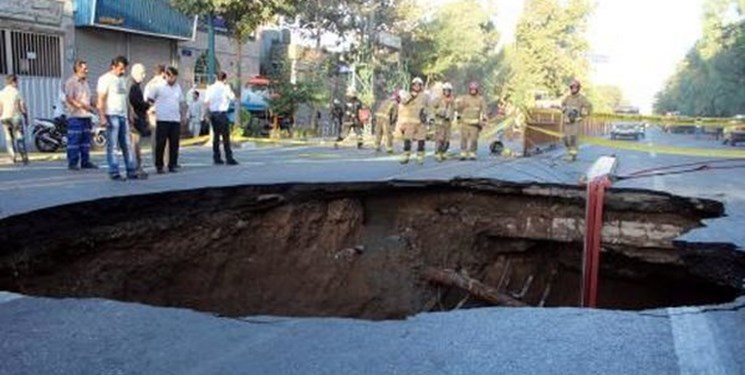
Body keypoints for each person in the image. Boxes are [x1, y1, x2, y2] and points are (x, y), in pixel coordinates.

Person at [98, 55, 137, 180]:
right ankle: (114, 171)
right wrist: (102, 117)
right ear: (113, 66)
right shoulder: (105, 79)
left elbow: (125, 99)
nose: (123, 71)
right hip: (111, 115)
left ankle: (131, 171)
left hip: (123, 116)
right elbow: (101, 99)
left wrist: (129, 114)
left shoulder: (122, 80)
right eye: (120, 68)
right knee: (113, 146)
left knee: (127, 144)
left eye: (124, 68)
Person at [148, 66, 186, 173]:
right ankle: (159, 165)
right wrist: (151, 111)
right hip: (162, 119)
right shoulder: (158, 86)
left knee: (174, 144)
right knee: (161, 143)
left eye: (175, 78)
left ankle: (172, 164)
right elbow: (150, 99)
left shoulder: (177, 87)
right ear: (167, 76)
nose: (174, 80)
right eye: (172, 77)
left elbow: (181, 102)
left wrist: (183, 116)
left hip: (175, 119)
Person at [64, 60, 98, 170]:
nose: (87, 71)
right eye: (84, 69)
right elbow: (69, 98)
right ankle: (73, 163)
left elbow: (90, 99)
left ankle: (85, 162)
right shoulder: (71, 82)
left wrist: (97, 104)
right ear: (78, 69)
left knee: (86, 141)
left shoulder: (86, 83)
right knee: (74, 140)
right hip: (75, 117)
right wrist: (82, 106)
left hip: (86, 116)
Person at [204, 71, 238, 165]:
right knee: (225, 137)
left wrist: (206, 114)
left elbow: (206, 102)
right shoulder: (225, 88)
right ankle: (229, 157)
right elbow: (233, 98)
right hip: (222, 114)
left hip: (213, 114)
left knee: (216, 136)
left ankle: (216, 157)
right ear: (224, 79)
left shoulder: (210, 88)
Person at [397, 77, 428, 164]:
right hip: (409, 122)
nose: (417, 86)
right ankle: (406, 156)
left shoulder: (425, 96)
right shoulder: (408, 94)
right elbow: (403, 102)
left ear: (421, 86)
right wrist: (411, 96)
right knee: (407, 140)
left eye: (419, 85)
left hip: (421, 122)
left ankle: (420, 157)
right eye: (415, 85)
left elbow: (430, 107)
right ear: (412, 86)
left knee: (421, 140)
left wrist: (429, 117)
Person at [127, 63, 151, 178]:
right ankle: (135, 168)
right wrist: (147, 105)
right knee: (134, 145)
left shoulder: (131, 84)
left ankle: (135, 167)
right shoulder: (132, 86)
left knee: (134, 145)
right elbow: (134, 102)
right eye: (142, 73)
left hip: (134, 118)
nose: (144, 76)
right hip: (134, 119)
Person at [560, 79, 593, 161]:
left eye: (575, 87)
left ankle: (573, 156)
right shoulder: (567, 98)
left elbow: (589, 106)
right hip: (567, 121)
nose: (573, 88)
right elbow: (562, 104)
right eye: (572, 87)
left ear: (578, 88)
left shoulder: (581, 98)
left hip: (575, 122)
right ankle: (568, 154)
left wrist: (582, 115)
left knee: (573, 138)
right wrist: (563, 109)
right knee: (566, 139)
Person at [0, 74, 29, 164]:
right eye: (16, 82)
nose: (17, 83)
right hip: (15, 117)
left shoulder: (2, 92)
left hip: (4, 118)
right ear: (14, 82)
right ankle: (24, 158)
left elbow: (0, 107)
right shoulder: (16, 92)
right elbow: (22, 106)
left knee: (9, 138)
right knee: (19, 137)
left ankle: (12, 157)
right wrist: (26, 117)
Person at [456, 81, 487, 161]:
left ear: (477, 90)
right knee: (464, 138)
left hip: (475, 124)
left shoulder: (480, 99)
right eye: (471, 89)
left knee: (474, 139)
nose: (473, 90)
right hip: (465, 123)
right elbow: (460, 108)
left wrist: (484, 117)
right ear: (469, 89)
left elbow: (484, 109)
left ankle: (472, 152)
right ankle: (463, 152)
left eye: (474, 89)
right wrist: (458, 116)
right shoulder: (465, 98)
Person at [430, 82, 456, 162]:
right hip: (440, 122)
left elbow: (454, 110)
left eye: (449, 91)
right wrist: (439, 111)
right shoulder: (439, 99)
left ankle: (443, 152)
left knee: (447, 140)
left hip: (448, 123)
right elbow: (431, 108)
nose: (447, 92)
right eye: (445, 90)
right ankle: (438, 153)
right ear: (443, 91)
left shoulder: (452, 101)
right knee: (440, 139)